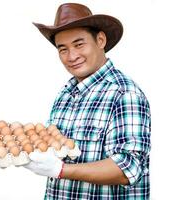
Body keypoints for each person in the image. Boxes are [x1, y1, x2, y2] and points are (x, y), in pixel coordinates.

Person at [23, 3, 151, 200]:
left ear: (100, 40)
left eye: (79, 44)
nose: (71, 56)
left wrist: (61, 169)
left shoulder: (124, 93)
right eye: (62, 49)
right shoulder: (65, 94)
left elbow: (128, 168)